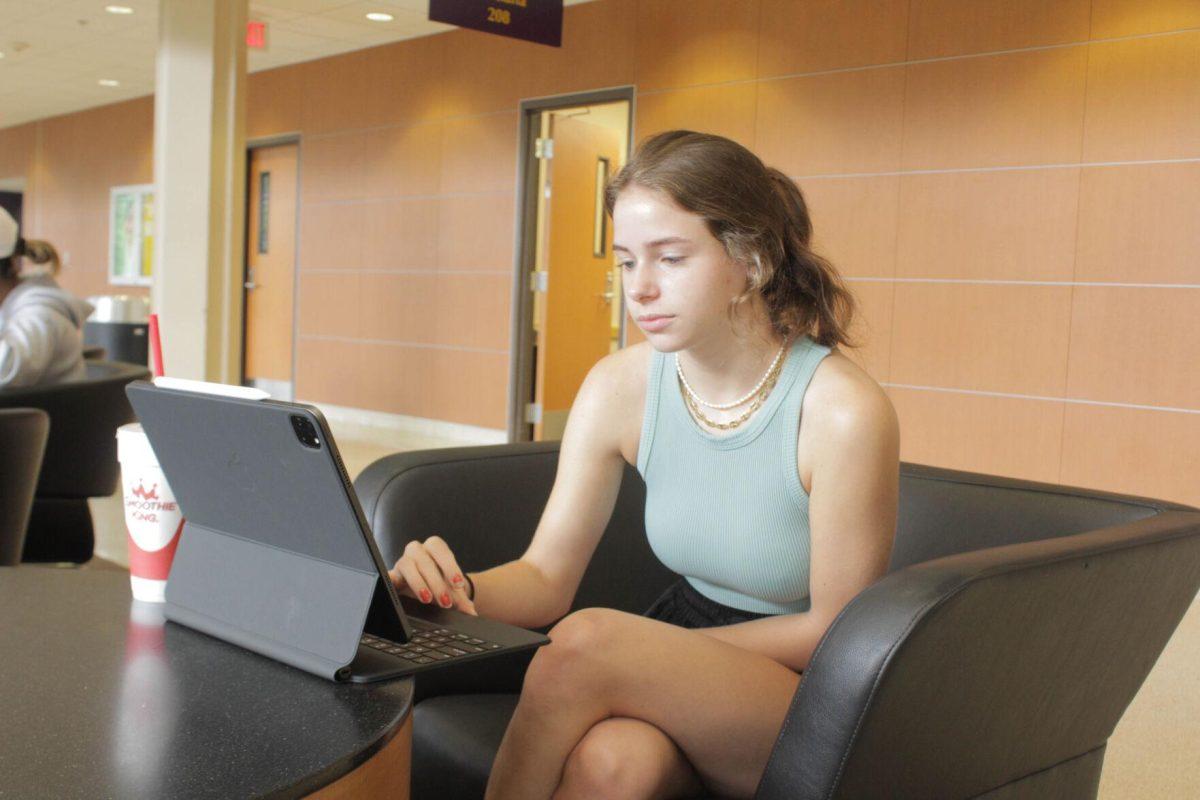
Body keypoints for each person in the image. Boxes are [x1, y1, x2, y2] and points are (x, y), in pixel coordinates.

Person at [388, 130, 901, 799]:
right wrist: (450, 593)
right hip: (671, 643)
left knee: (587, 639)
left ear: (749, 261)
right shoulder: (619, 386)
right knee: (612, 765)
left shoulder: (842, 412)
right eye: (627, 262)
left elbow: (836, 632)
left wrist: (638, 656)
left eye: (671, 258)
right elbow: (545, 577)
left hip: (803, 688)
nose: (642, 289)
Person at [0, 207, 93, 388]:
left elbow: (6, 370)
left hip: (54, 415)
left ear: (10, 265)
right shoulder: (9, 310)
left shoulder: (41, 314)